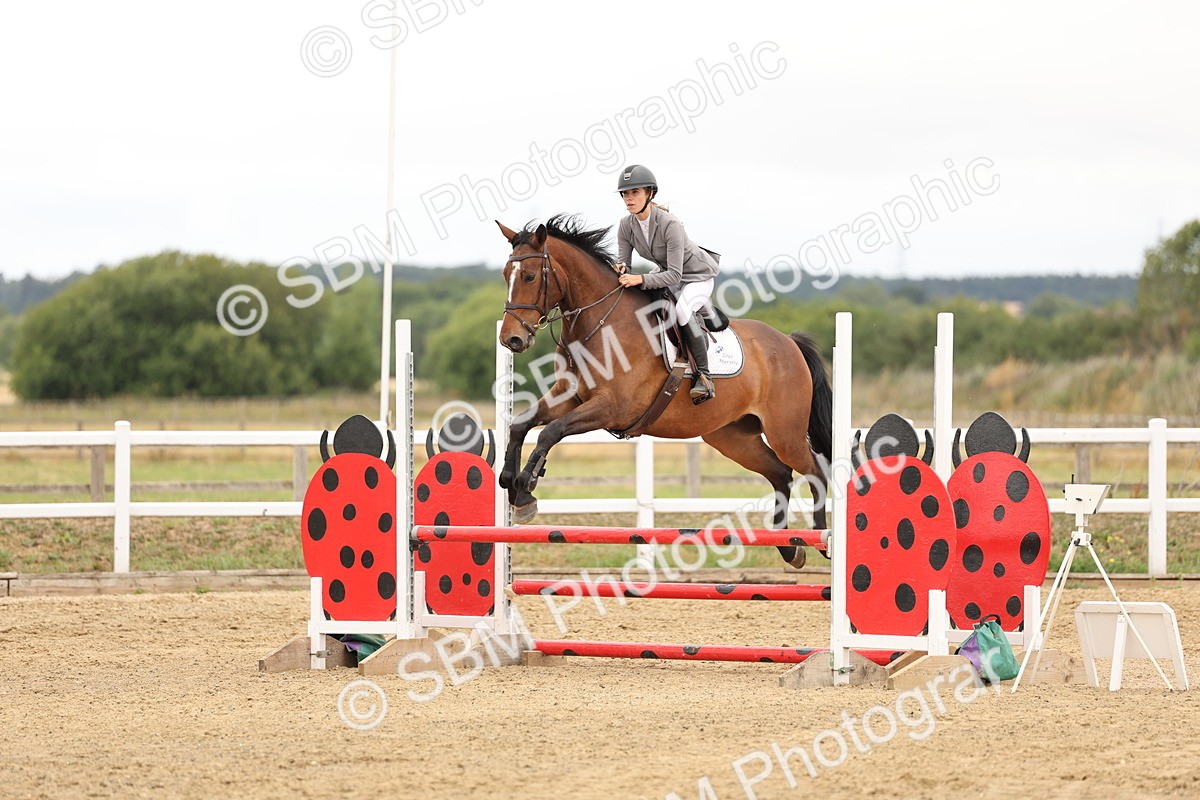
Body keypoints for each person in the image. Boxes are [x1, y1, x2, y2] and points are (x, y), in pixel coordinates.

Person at [613, 165, 721, 403]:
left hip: (697, 276)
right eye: (625, 194)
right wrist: (621, 269)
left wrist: (640, 279)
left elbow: (673, 276)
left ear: (650, 193)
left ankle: (704, 377)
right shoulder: (625, 226)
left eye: (634, 192)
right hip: (668, 273)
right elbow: (624, 264)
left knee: (682, 310)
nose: (628, 198)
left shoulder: (670, 224)